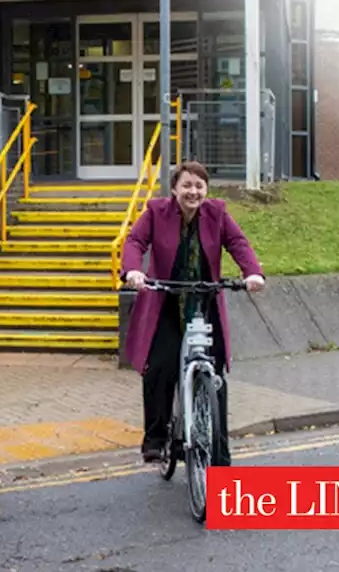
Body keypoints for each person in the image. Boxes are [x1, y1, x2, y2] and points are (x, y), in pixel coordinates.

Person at [120, 160, 266, 465]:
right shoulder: (156, 212)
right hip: (167, 299)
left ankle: (220, 454)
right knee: (160, 366)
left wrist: (252, 272)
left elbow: (237, 243)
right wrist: (134, 270)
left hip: (204, 299)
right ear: (174, 189)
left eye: (199, 186)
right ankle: (157, 440)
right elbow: (135, 241)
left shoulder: (217, 213)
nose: (193, 191)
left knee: (216, 377)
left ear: (206, 190)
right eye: (187, 185)